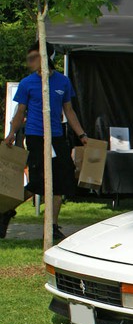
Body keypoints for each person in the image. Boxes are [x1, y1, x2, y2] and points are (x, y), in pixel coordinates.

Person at [1, 42, 89, 240]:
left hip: (56, 137)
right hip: (35, 137)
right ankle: (6, 210)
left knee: (61, 181)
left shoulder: (63, 82)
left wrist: (82, 135)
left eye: (35, 57)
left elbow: (69, 110)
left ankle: (53, 226)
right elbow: (20, 112)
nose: (31, 61)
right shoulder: (27, 83)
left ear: (46, 57)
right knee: (38, 182)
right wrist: (12, 133)